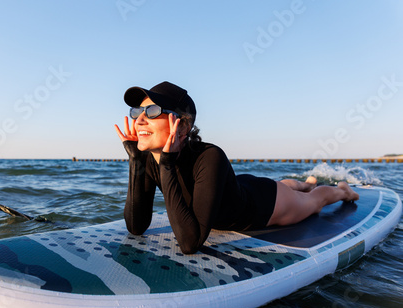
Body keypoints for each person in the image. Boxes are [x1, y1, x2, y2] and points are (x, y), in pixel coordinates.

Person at [114, 81, 359, 254]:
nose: (140, 119)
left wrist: (166, 165)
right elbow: (136, 226)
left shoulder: (210, 157)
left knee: (313, 203)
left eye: (153, 111)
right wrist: (136, 161)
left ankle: (342, 190)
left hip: (264, 204)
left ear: (182, 126)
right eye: (137, 112)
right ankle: (305, 183)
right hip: (236, 187)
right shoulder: (148, 159)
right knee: (292, 186)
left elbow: (190, 244)